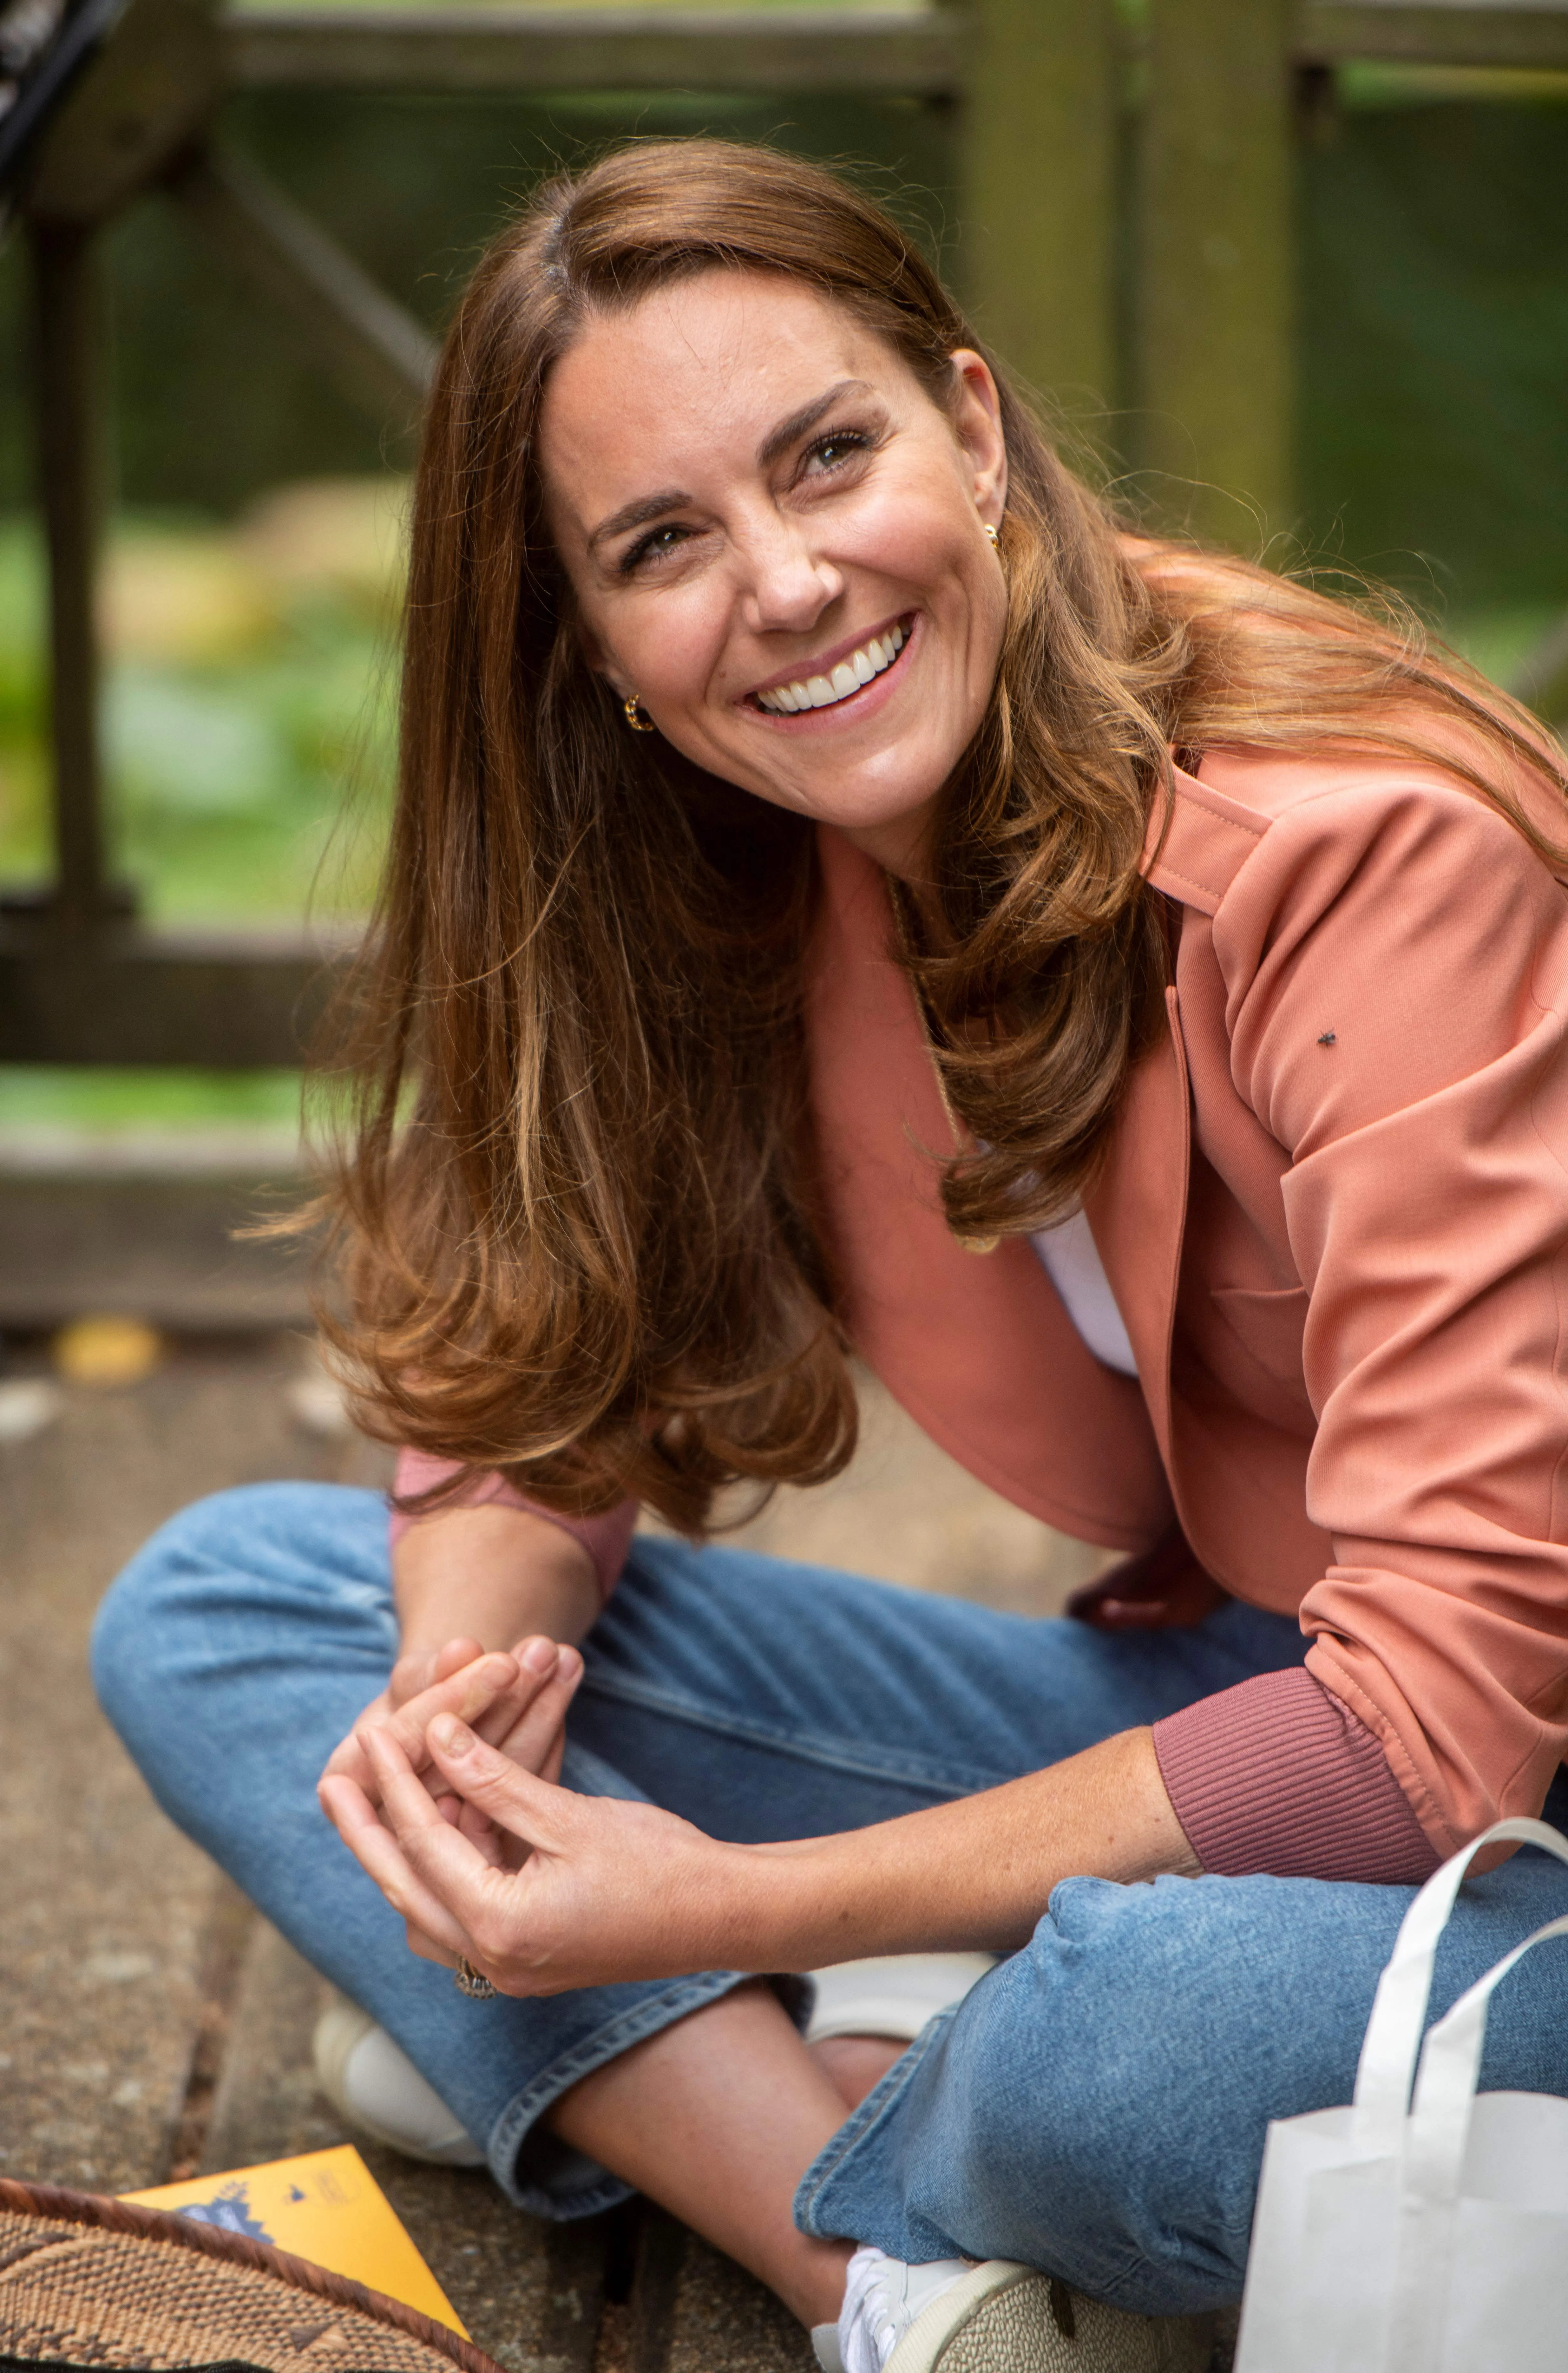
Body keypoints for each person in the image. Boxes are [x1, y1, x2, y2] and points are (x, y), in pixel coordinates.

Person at [93, 140, 1568, 2373]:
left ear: (972, 432)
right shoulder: (744, 857)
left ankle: (682, 2077)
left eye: (828, 456)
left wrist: (727, 1910)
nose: (780, 584)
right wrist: (461, 1755)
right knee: (223, 1606)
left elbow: (1437, 1728)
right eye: (660, 544)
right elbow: (535, 1396)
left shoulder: (1354, 857)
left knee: (1124, 2047)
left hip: (1493, 1800)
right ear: (583, 641)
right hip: (1245, 1692)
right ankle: (888, 2271)